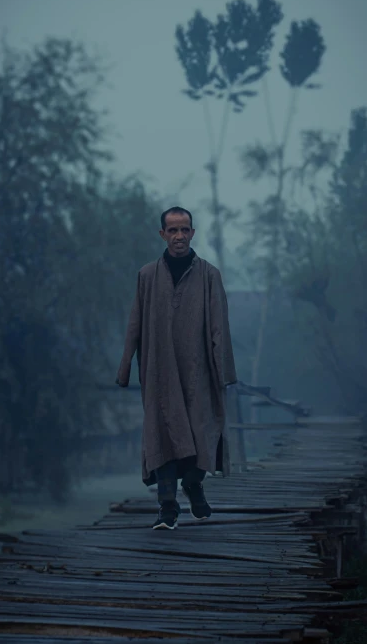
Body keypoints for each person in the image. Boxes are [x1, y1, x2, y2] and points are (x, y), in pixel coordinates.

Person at [116, 206, 237, 530]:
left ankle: (194, 485)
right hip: (159, 373)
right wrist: (126, 366)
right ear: (162, 234)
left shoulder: (209, 276)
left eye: (185, 230)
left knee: (203, 432)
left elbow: (219, 327)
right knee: (162, 435)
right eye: (173, 230)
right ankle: (166, 508)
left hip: (199, 374)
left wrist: (223, 372)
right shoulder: (147, 276)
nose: (179, 236)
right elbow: (135, 324)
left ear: (192, 233)